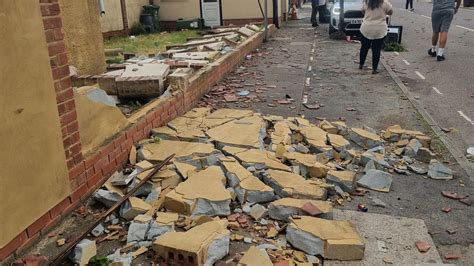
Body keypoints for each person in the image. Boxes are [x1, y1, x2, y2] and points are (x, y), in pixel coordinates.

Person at [359, 0, 393, 74]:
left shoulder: (367, 2)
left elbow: (362, 11)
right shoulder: (385, 3)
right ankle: (374, 69)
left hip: (366, 28)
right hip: (379, 29)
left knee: (364, 47)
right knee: (376, 49)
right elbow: (390, 12)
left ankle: (361, 64)